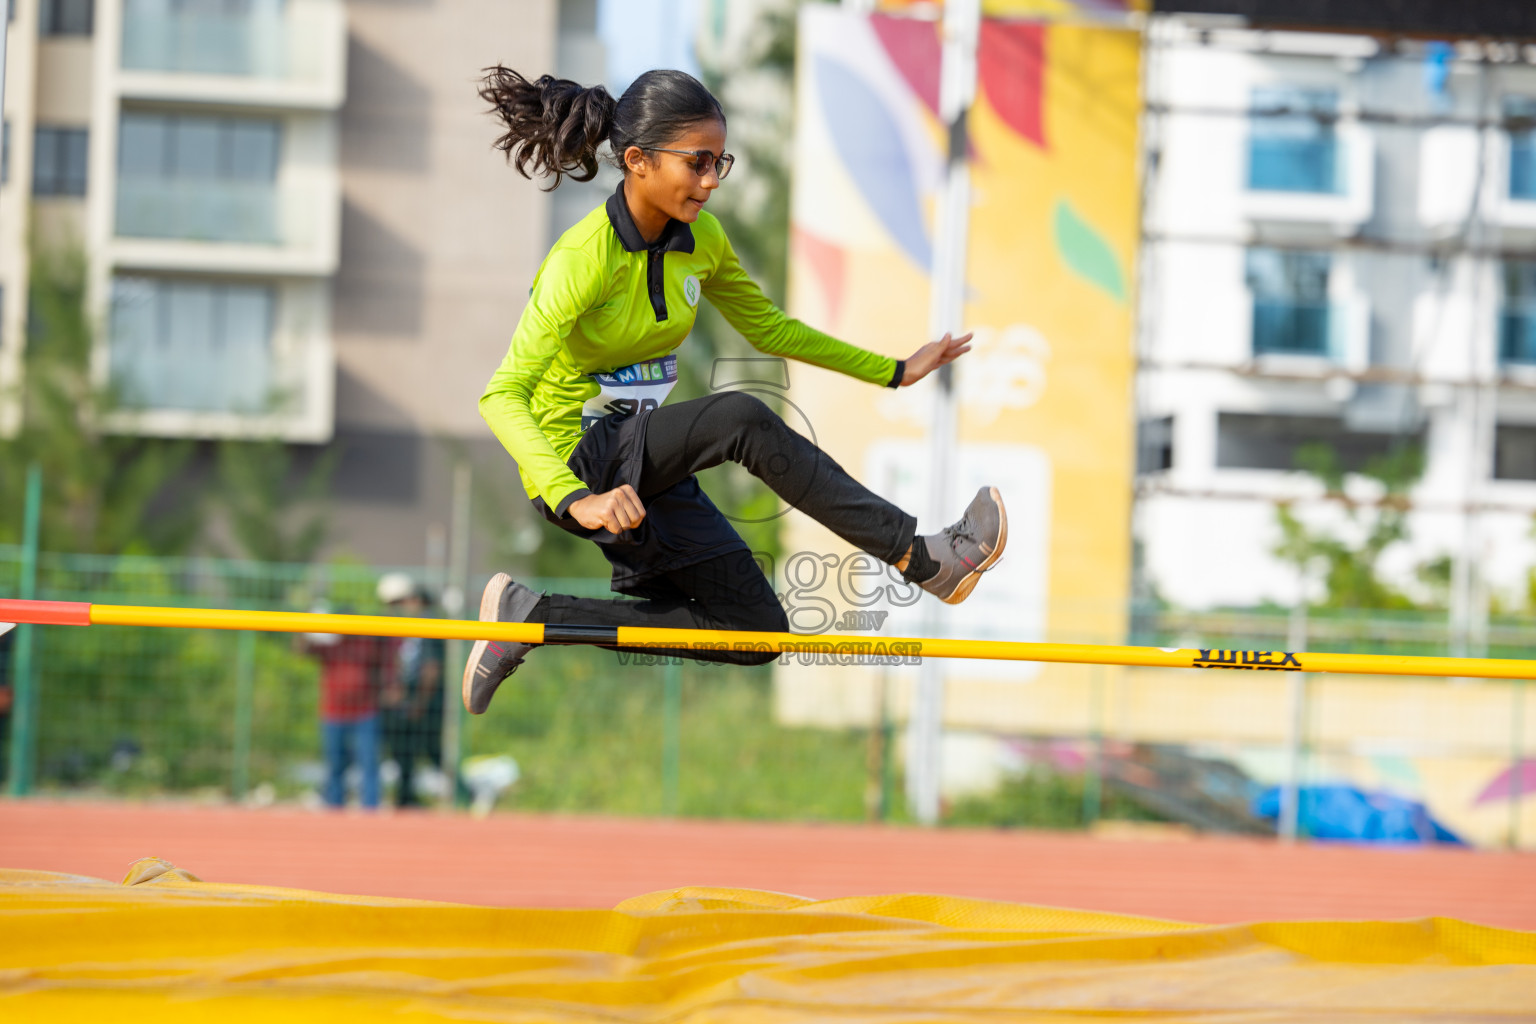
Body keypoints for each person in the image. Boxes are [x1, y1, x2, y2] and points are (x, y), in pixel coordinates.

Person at [464, 66, 1007, 715]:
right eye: (696, 163)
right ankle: (924, 559)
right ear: (637, 161)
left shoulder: (704, 242)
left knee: (754, 634)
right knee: (739, 418)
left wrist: (894, 370)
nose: (712, 180)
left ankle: (530, 619)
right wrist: (573, 497)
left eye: (720, 161)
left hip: (644, 468)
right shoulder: (583, 260)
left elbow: (769, 328)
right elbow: (502, 394)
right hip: (578, 465)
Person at [294, 613, 390, 809]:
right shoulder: (331, 646)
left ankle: (370, 808)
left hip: (365, 711)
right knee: (335, 763)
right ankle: (334, 807)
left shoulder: (367, 645)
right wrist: (308, 622)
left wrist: (389, 687)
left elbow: (387, 661)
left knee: (369, 762)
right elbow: (301, 649)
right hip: (334, 713)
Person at [376, 573, 447, 808]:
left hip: (423, 701)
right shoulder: (398, 627)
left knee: (431, 750)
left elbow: (430, 669)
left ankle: (461, 792)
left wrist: (419, 701)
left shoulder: (428, 626)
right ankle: (405, 796)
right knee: (402, 751)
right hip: (403, 700)